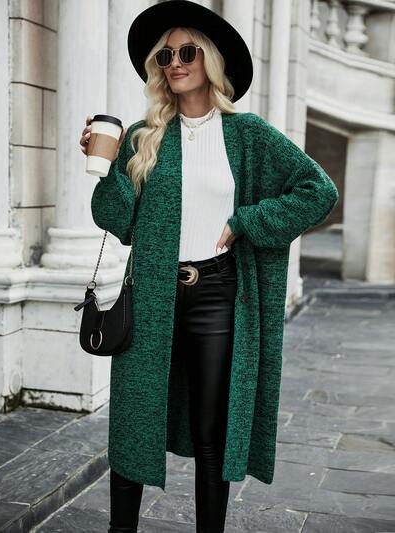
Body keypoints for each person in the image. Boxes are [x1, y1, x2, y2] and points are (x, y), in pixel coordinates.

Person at [79, 1, 339, 532]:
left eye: (188, 52)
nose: (175, 62)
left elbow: (319, 190)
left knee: (211, 431)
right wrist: (104, 169)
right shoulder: (143, 135)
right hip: (151, 295)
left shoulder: (248, 134)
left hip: (218, 295)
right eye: (166, 55)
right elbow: (117, 221)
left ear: (211, 61)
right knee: (133, 422)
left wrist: (249, 220)